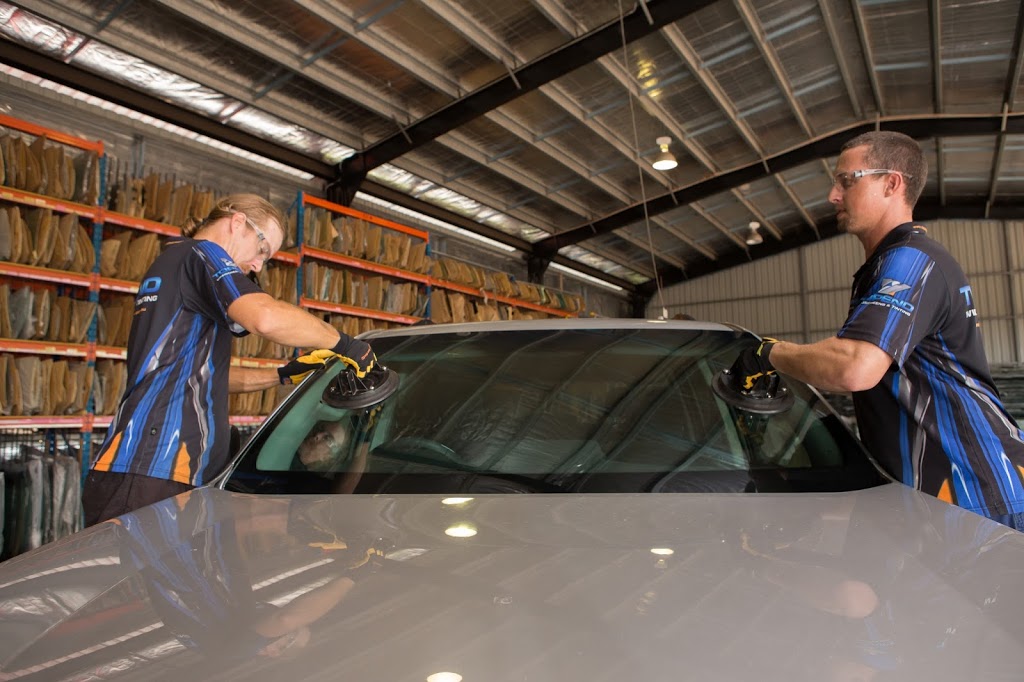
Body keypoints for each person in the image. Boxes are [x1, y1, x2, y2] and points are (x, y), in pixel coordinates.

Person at [725, 131, 1024, 529]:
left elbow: (854, 367)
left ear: (891, 183)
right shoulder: (891, 265)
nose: (834, 194)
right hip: (929, 502)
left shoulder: (911, 262)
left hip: (973, 493)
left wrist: (766, 352)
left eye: (847, 180)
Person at [83, 194, 377, 526]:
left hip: (160, 473)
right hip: (152, 470)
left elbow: (203, 378)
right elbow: (264, 317)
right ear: (237, 223)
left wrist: (282, 374)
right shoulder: (200, 254)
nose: (258, 265)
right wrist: (346, 344)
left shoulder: (179, 267)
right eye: (263, 250)